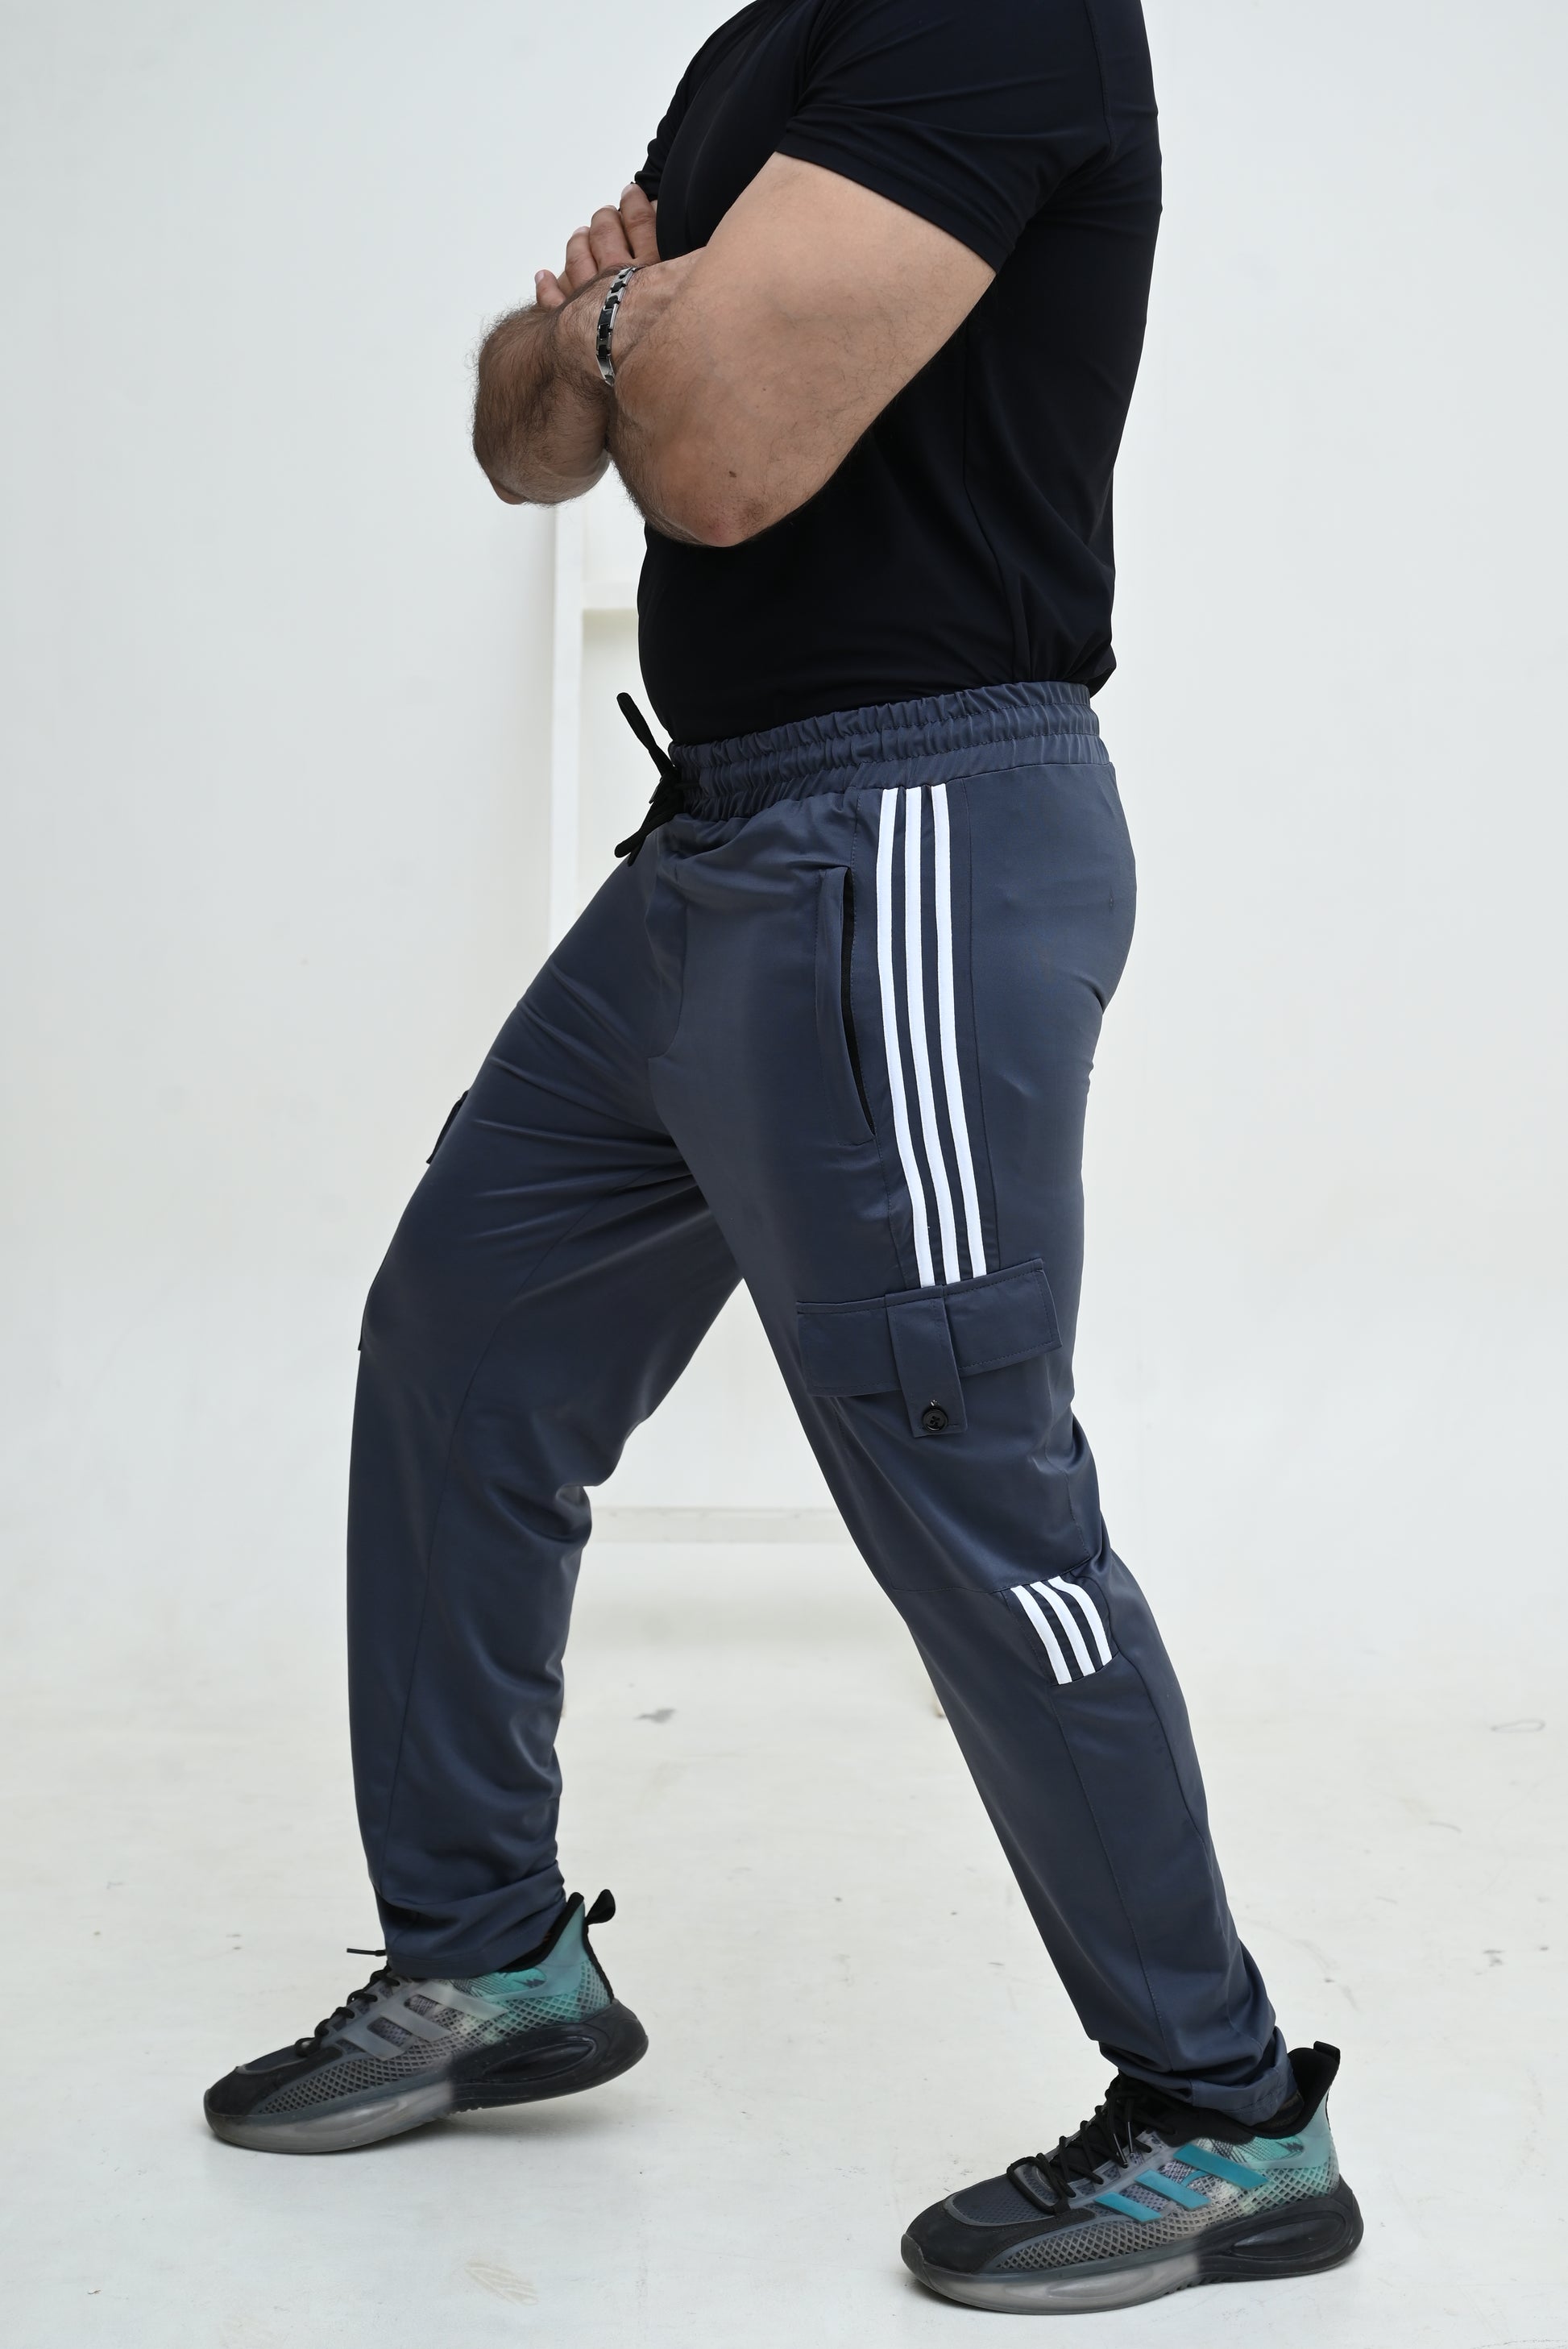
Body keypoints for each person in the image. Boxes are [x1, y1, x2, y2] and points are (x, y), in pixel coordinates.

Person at [202, 0, 1363, 2313]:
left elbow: (711, 457)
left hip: (908, 828)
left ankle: (1227, 2116)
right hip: (712, 838)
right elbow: (528, 437)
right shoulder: (764, 47)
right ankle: (490, 1955)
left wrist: (628, 317)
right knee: (461, 1346)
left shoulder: (996, 14)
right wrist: (619, 335)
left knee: (966, 1478)